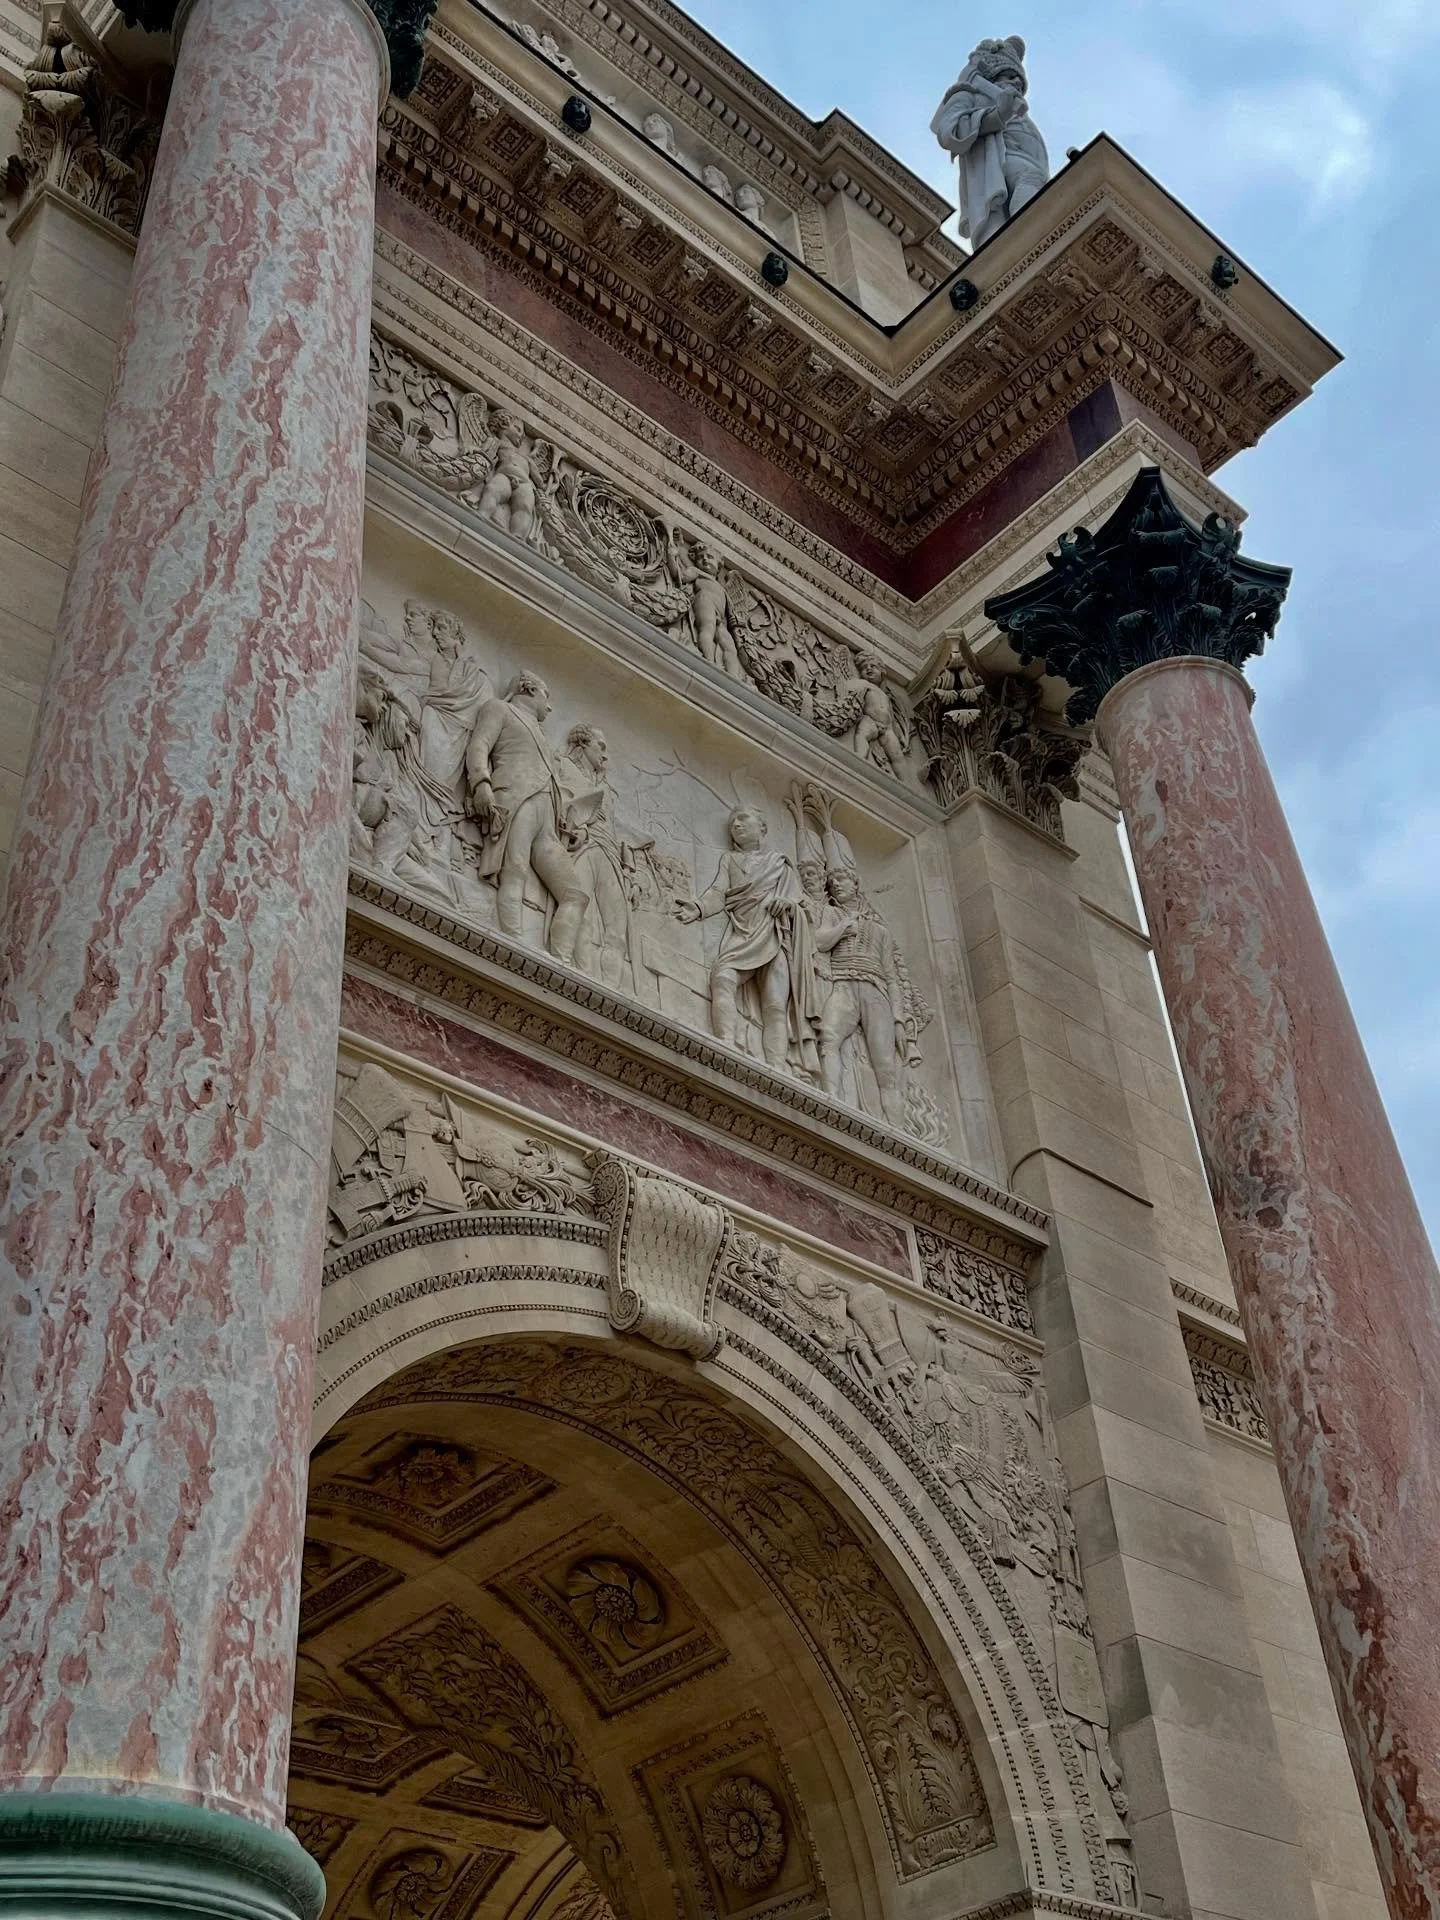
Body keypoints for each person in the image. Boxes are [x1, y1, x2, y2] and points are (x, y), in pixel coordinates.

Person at [678, 807, 822, 1073]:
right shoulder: (729, 860)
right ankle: (725, 1042)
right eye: (733, 822)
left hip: (775, 935)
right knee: (722, 978)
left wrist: (788, 905)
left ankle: (777, 1068)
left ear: (763, 827)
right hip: (742, 931)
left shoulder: (779, 863)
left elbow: (802, 905)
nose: (736, 824)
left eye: (743, 819)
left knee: (775, 1005)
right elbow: (718, 893)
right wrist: (697, 908)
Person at [465, 671, 590, 964]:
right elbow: (479, 745)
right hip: (515, 799)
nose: (550, 707)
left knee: (576, 894)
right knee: (515, 870)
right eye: (547, 696)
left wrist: (571, 826)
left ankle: (561, 962)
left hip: (547, 818)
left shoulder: (542, 736)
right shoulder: (500, 709)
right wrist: (481, 784)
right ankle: (513, 941)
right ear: (530, 689)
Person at [931, 36, 1049, 250]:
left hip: (1020, 169)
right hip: (995, 165)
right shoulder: (970, 93)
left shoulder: (1019, 112)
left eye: (1020, 82)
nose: (1016, 83)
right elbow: (950, 131)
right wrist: (997, 115)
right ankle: (1032, 242)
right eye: (1010, 76)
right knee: (1032, 178)